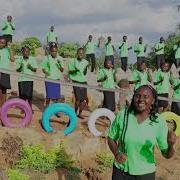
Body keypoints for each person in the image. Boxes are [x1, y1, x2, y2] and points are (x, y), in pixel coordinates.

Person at [108, 85, 176, 180]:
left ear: (152, 100)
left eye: (146, 96)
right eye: (137, 96)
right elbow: (111, 137)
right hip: (120, 171)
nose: (141, 99)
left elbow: (167, 155)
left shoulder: (158, 122)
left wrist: (171, 145)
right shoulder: (123, 115)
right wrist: (116, 153)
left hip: (145, 174)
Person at [68, 48, 89, 119]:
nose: (81, 54)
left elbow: (85, 73)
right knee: (78, 99)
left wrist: (86, 68)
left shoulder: (86, 62)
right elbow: (70, 72)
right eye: (79, 53)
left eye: (82, 53)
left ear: (84, 54)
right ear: (77, 53)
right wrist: (75, 70)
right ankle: (74, 113)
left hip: (83, 81)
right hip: (76, 81)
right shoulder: (72, 61)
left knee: (84, 100)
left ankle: (80, 113)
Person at [42, 43, 64, 108]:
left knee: (57, 96)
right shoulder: (47, 58)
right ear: (50, 51)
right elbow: (43, 68)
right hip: (48, 79)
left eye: (55, 51)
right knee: (48, 96)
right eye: (52, 51)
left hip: (57, 79)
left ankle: (56, 110)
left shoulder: (60, 58)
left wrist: (59, 64)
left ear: (57, 51)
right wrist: (46, 72)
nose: (54, 52)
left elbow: (62, 70)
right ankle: (46, 110)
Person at [16, 46, 38, 111]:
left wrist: (31, 67)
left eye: (28, 51)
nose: (27, 53)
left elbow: (35, 70)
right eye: (25, 51)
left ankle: (30, 108)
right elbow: (17, 70)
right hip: (21, 79)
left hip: (29, 79)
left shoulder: (32, 59)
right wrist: (20, 67)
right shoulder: (19, 59)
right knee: (22, 95)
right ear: (22, 52)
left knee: (29, 96)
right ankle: (23, 108)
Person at [0, 36, 14, 108]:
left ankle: (3, 108)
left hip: (5, 72)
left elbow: (12, 59)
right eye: (0, 42)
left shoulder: (7, 50)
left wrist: (10, 49)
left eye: (3, 43)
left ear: (5, 44)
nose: (1, 44)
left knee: (4, 91)